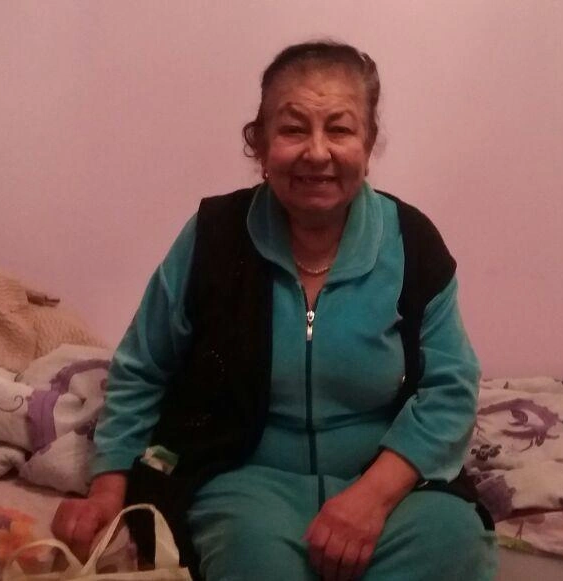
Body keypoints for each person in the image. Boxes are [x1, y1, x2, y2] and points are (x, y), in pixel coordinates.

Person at [52, 40, 498, 581]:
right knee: (253, 559)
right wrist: (107, 488)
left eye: (339, 129)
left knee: (456, 544)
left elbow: (451, 388)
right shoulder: (214, 236)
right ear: (259, 145)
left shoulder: (412, 242)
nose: (317, 152)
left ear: (368, 143)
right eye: (292, 129)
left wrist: (370, 500)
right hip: (246, 485)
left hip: (389, 486)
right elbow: (143, 368)